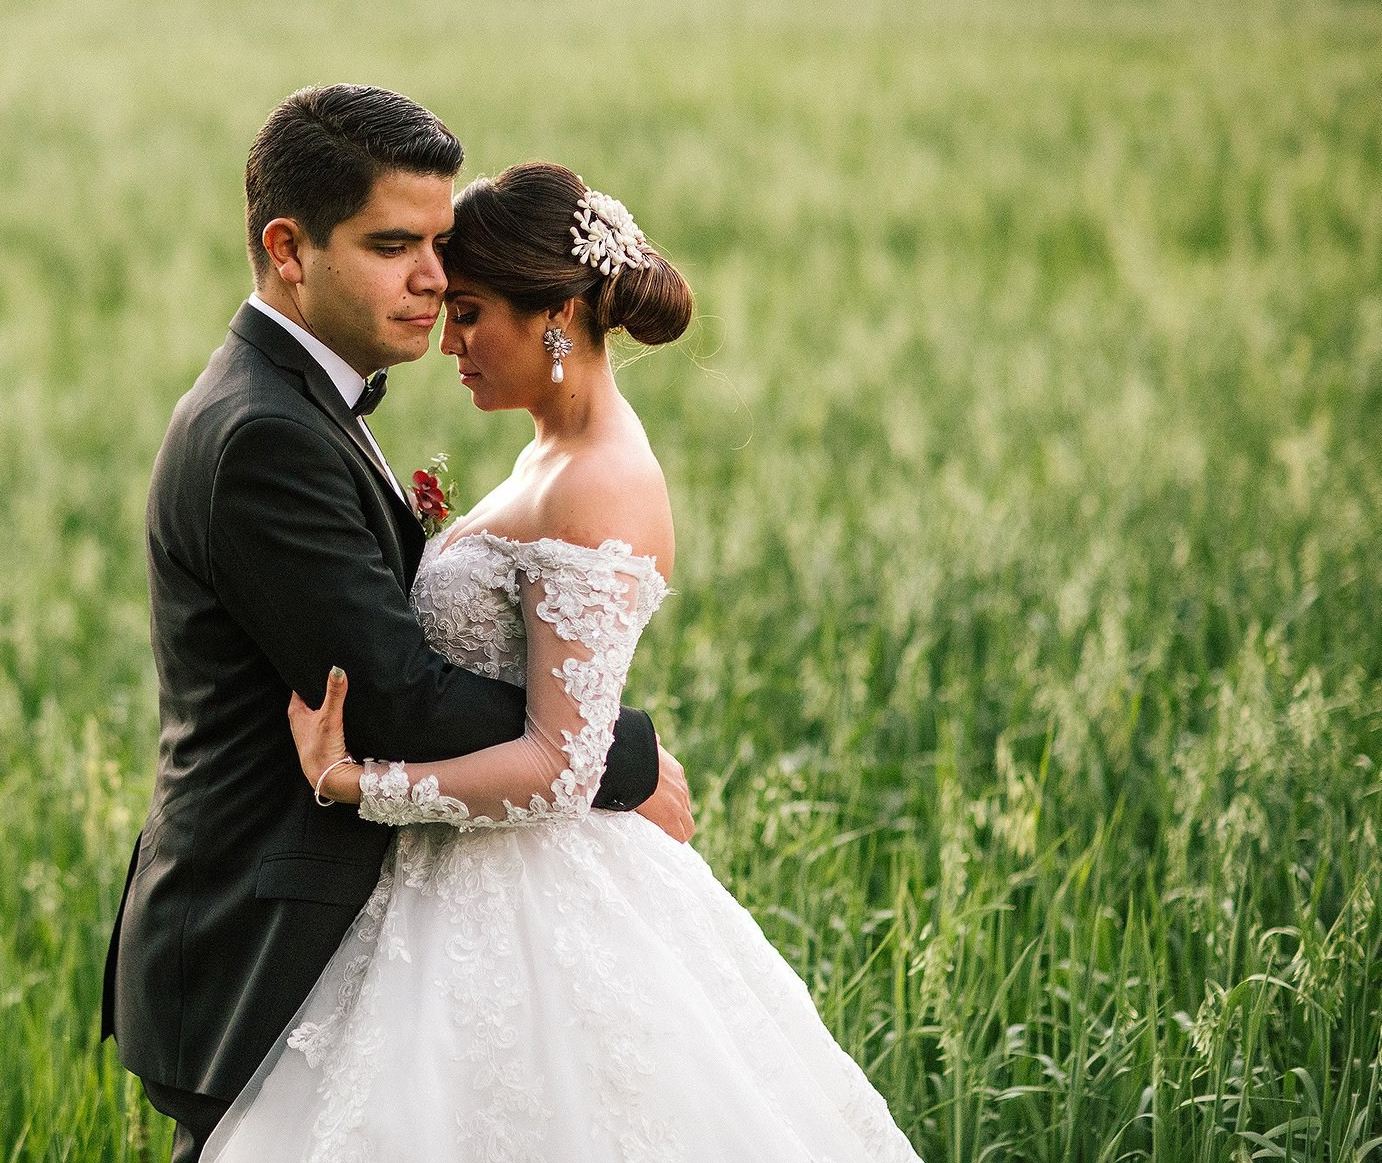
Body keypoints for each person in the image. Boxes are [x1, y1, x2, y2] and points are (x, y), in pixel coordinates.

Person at [198, 163, 925, 1162]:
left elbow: (559, 765)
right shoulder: (548, 452)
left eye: (469, 314)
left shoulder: (597, 482)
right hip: (456, 880)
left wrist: (352, 781)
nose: (447, 341)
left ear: (554, 318)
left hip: (532, 895)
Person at [100, 86, 694, 1163]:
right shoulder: (265, 434)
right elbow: (393, 698)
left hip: (359, 916)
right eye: (393, 246)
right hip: (259, 937)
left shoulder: (304, 401)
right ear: (289, 250)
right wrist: (617, 754)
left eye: (437, 245)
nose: (433, 277)